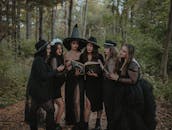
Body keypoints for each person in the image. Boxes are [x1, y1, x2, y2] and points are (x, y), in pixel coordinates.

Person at [110, 43, 146, 130]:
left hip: (131, 93)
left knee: (128, 116)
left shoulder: (133, 64)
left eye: (124, 51)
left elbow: (133, 81)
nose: (121, 52)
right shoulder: (122, 60)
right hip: (121, 91)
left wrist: (118, 79)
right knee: (119, 114)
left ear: (129, 53)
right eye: (121, 50)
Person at [26, 40, 57, 130]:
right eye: (47, 49)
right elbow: (44, 76)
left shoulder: (40, 60)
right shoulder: (39, 60)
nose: (49, 50)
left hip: (36, 91)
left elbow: (45, 72)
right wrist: (55, 71)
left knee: (33, 112)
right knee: (50, 110)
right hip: (39, 92)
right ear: (43, 50)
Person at [63, 24, 87, 129]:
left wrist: (80, 72)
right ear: (70, 44)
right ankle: (70, 119)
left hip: (79, 78)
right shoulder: (66, 54)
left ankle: (79, 121)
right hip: (69, 78)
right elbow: (63, 68)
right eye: (73, 43)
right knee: (70, 99)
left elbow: (84, 67)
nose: (75, 45)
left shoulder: (81, 54)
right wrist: (67, 67)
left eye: (77, 43)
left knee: (77, 100)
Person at [79, 36, 104, 130]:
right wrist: (79, 71)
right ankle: (85, 125)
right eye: (88, 45)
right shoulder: (82, 56)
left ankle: (98, 123)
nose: (89, 48)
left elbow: (103, 70)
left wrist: (97, 75)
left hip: (98, 82)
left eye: (91, 46)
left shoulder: (99, 56)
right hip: (88, 83)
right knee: (88, 104)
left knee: (99, 103)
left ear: (95, 47)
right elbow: (81, 68)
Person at [49, 38, 66, 130]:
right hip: (53, 86)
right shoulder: (54, 59)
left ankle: (55, 124)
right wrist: (65, 72)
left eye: (61, 48)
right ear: (54, 49)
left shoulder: (60, 58)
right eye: (58, 48)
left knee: (58, 106)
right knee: (61, 105)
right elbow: (55, 74)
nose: (60, 50)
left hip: (56, 87)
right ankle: (56, 124)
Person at [102, 40, 118, 130]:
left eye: (107, 48)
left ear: (111, 49)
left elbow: (111, 75)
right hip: (108, 85)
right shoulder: (109, 58)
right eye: (105, 47)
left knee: (109, 107)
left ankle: (111, 126)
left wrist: (105, 73)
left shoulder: (112, 60)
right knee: (109, 107)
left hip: (110, 86)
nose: (105, 49)